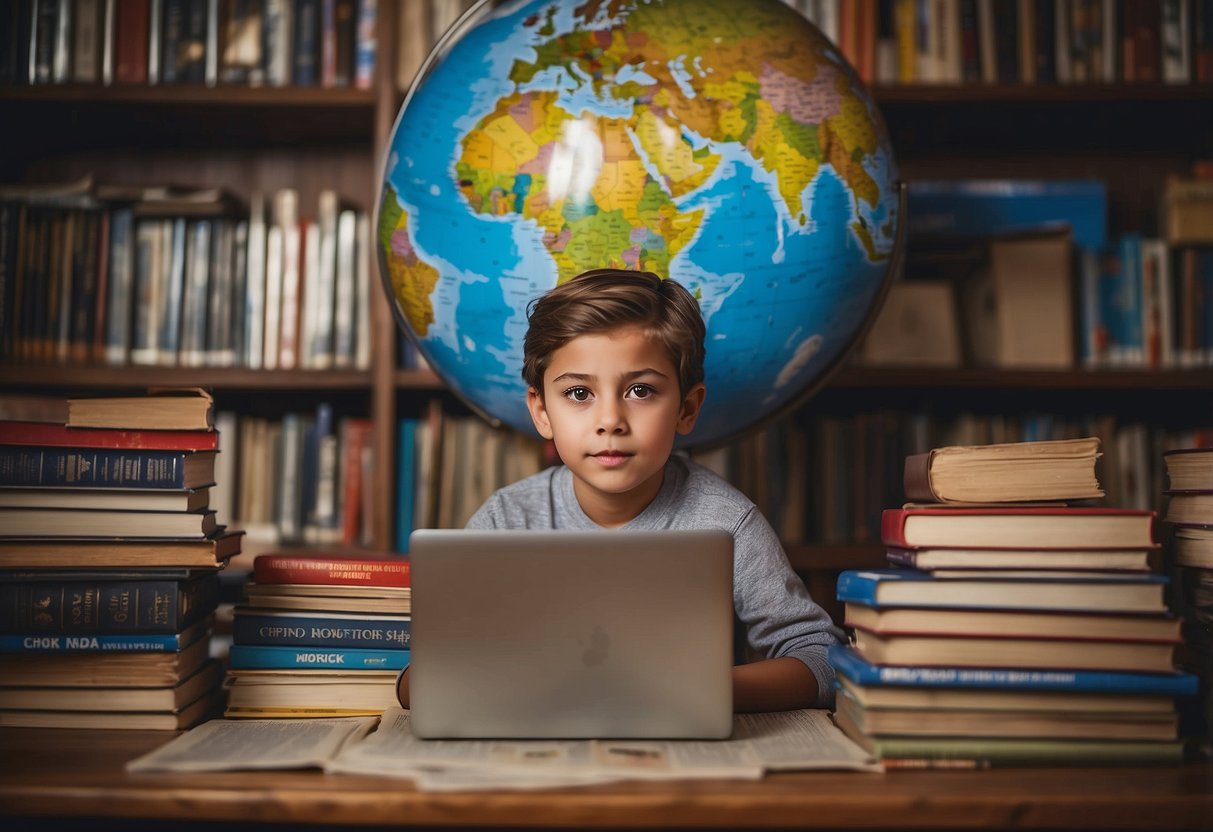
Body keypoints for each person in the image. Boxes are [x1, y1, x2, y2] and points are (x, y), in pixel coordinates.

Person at [397, 268, 844, 712]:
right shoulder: (506, 519)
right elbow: (419, 676)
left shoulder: (727, 522)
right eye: (577, 393)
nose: (610, 419)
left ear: (686, 409)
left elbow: (822, 660)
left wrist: (701, 690)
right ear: (541, 411)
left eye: (640, 390)